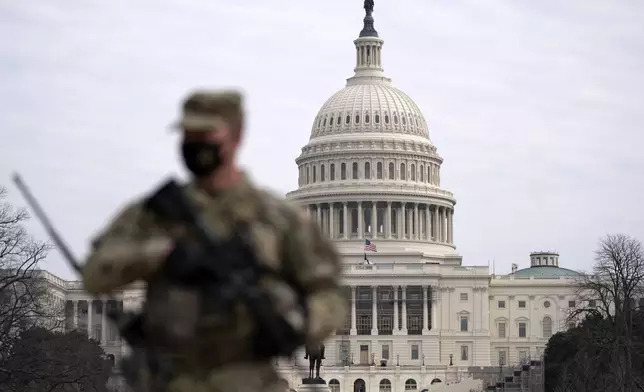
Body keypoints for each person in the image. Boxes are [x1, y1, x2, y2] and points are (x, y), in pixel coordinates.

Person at [81, 89, 347, 392]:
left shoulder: (279, 219)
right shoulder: (154, 213)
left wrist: (294, 323)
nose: (196, 145)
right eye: (188, 135)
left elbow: (331, 295)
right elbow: (94, 274)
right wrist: (162, 253)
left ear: (236, 137)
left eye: (206, 135)